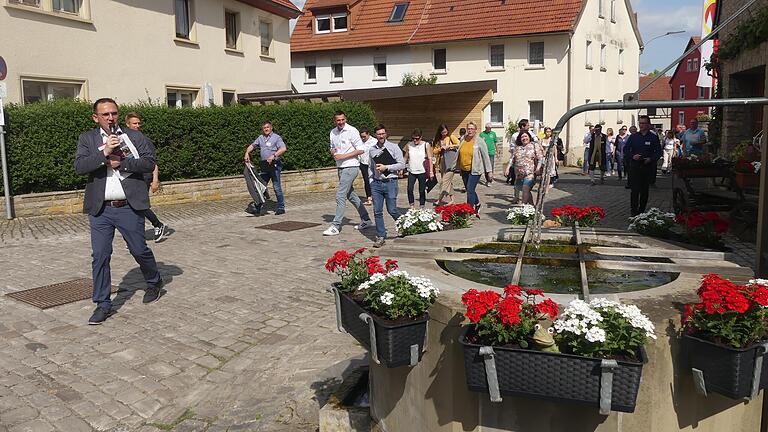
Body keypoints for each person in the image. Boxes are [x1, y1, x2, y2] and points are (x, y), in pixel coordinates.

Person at [74, 98, 164, 325]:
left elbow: (149, 163)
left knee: (139, 249)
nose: (111, 118)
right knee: (100, 256)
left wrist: (121, 164)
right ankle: (102, 304)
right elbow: (80, 167)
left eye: (114, 113)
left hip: (128, 207)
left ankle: (154, 281)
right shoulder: (88, 139)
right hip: (101, 209)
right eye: (105, 115)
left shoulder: (134, 137)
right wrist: (105, 152)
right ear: (96, 118)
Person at [323, 111, 372, 236]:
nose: (340, 122)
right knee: (351, 195)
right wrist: (332, 151)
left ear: (345, 119)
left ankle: (336, 225)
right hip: (340, 167)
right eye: (338, 120)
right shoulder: (332, 132)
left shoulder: (352, 131)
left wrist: (344, 156)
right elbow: (332, 148)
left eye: (342, 120)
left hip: (351, 166)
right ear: (334, 121)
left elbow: (361, 149)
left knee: (340, 195)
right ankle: (366, 219)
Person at [124, 113, 168, 242]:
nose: (137, 126)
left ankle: (156, 225)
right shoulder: (123, 139)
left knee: (139, 205)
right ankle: (136, 234)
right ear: (127, 125)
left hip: (144, 177)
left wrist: (155, 180)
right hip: (130, 176)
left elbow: (153, 162)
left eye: (138, 123)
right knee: (130, 205)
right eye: (134, 123)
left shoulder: (145, 140)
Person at [367, 124, 405, 248]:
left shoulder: (394, 147)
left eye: (383, 133)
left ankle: (405, 226)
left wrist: (387, 167)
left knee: (392, 209)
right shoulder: (372, 149)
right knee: (377, 211)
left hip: (390, 182)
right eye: (379, 134)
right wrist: (371, 180)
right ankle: (381, 236)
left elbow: (402, 165)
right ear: (375, 135)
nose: (381, 136)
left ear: (386, 134)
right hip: (377, 184)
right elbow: (370, 167)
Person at [243, 121, 287, 215]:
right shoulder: (260, 138)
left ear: (271, 128)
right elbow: (252, 146)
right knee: (260, 187)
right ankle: (258, 207)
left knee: (276, 187)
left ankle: (281, 207)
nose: (266, 129)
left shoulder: (276, 137)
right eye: (264, 128)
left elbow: (283, 148)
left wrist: (274, 155)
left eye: (267, 127)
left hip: (274, 165)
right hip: (265, 165)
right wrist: (247, 153)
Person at [624, 115, 662, 216]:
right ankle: (633, 212)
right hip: (635, 167)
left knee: (644, 191)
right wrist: (633, 156)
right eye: (640, 123)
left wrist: (651, 159)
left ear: (648, 124)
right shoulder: (633, 137)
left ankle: (641, 211)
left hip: (647, 167)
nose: (642, 125)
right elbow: (626, 150)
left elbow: (658, 152)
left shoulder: (653, 137)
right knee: (634, 190)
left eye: (644, 123)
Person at [454, 122, 492, 214]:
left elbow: (485, 156)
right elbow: (459, 152)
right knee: (469, 189)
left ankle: (468, 210)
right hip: (464, 169)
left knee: (470, 190)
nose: (470, 130)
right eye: (469, 129)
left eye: (472, 129)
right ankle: (477, 203)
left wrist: (489, 171)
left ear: (475, 130)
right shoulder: (463, 138)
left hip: (475, 169)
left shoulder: (480, 141)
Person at [506, 132, 543, 204]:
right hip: (519, 174)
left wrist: (538, 168)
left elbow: (540, 158)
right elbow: (512, 159)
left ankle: (523, 207)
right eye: (522, 137)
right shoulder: (517, 148)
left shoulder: (534, 146)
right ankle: (532, 207)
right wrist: (507, 168)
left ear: (529, 137)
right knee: (525, 191)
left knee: (525, 188)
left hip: (530, 173)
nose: (524, 138)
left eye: (526, 136)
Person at [402, 128, 433, 209]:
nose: (415, 140)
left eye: (417, 138)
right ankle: (411, 205)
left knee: (422, 190)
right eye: (413, 138)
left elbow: (430, 158)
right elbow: (405, 157)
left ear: (421, 137)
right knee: (409, 189)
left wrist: (431, 172)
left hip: (422, 170)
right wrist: (401, 167)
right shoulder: (409, 145)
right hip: (412, 170)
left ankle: (422, 206)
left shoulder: (426, 145)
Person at [433, 124, 460, 206]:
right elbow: (434, 151)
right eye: (442, 131)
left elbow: (459, 144)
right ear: (440, 132)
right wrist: (440, 148)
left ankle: (439, 199)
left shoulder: (451, 137)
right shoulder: (438, 140)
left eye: (445, 131)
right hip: (442, 162)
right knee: (448, 181)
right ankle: (452, 200)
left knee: (444, 181)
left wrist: (449, 146)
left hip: (451, 162)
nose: (444, 133)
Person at [358, 127, 377, 206]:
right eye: (361, 136)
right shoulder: (359, 141)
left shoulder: (374, 141)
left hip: (372, 164)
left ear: (368, 134)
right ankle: (369, 197)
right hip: (363, 163)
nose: (363, 138)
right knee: (366, 180)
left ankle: (376, 196)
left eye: (364, 137)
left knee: (374, 180)